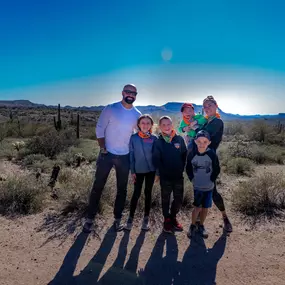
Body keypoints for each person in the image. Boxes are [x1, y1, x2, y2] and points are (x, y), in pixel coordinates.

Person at [83, 84, 141, 233]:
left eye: (134, 93)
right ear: (123, 93)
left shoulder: (136, 114)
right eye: (128, 92)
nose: (131, 95)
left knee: (122, 189)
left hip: (125, 156)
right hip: (106, 154)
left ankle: (117, 219)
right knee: (98, 187)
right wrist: (102, 148)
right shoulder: (111, 108)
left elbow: (138, 134)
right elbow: (100, 128)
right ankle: (90, 218)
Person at [197, 95, 233, 232]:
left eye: (209, 106)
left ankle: (225, 217)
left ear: (216, 106)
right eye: (205, 107)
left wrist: (193, 130)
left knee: (212, 191)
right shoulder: (206, 122)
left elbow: (201, 136)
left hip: (209, 160)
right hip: (198, 159)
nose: (207, 109)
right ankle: (200, 221)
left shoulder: (217, 122)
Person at [153, 116, 187, 234]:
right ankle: (166, 219)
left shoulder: (179, 139)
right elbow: (156, 159)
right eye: (164, 125)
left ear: (172, 125)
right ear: (160, 127)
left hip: (178, 176)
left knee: (178, 199)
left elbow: (184, 155)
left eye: (169, 124)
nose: (167, 127)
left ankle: (173, 217)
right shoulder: (158, 141)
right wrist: (160, 173)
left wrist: (181, 168)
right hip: (165, 177)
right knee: (165, 198)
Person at [124, 114, 157, 231]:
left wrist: (157, 172)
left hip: (151, 171)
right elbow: (131, 156)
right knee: (136, 194)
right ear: (138, 124)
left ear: (151, 125)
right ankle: (130, 219)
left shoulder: (154, 138)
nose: (145, 125)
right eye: (143, 123)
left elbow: (157, 156)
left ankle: (146, 219)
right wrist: (132, 171)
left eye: (148, 123)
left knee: (148, 193)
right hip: (138, 170)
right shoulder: (134, 138)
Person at [186, 130, 220, 238]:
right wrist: (192, 178)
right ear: (195, 141)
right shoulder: (192, 154)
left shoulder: (212, 154)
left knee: (205, 208)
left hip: (209, 187)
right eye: (199, 141)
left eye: (205, 142)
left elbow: (217, 168)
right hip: (197, 186)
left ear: (209, 142)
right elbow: (188, 168)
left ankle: (201, 225)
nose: (202, 144)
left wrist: (212, 179)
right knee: (197, 207)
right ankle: (192, 225)